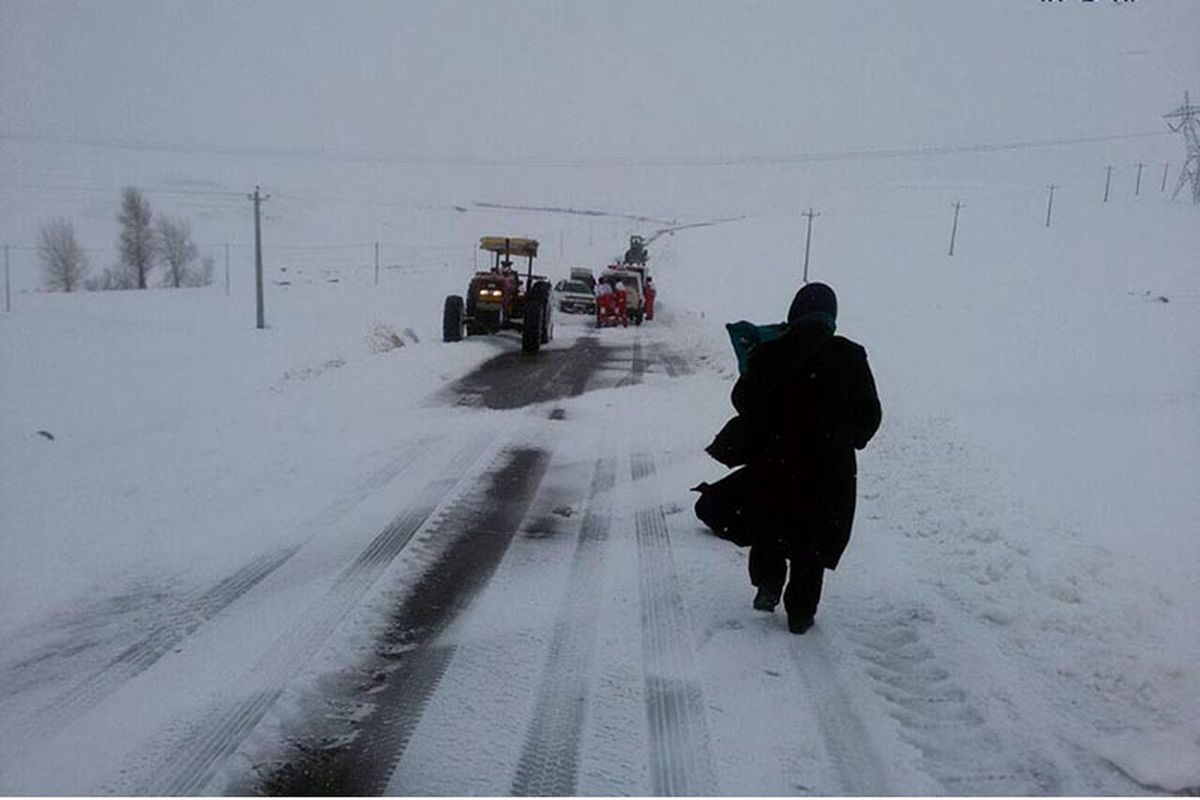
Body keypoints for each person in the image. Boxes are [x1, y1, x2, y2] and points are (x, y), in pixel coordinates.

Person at [730, 282, 881, 634]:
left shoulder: (770, 352)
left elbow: (743, 401)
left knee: (770, 526)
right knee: (812, 541)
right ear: (832, 317)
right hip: (830, 470)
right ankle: (800, 612)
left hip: (775, 462)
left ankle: (768, 587)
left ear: (794, 313)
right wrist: (849, 439)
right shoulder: (850, 356)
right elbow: (870, 416)